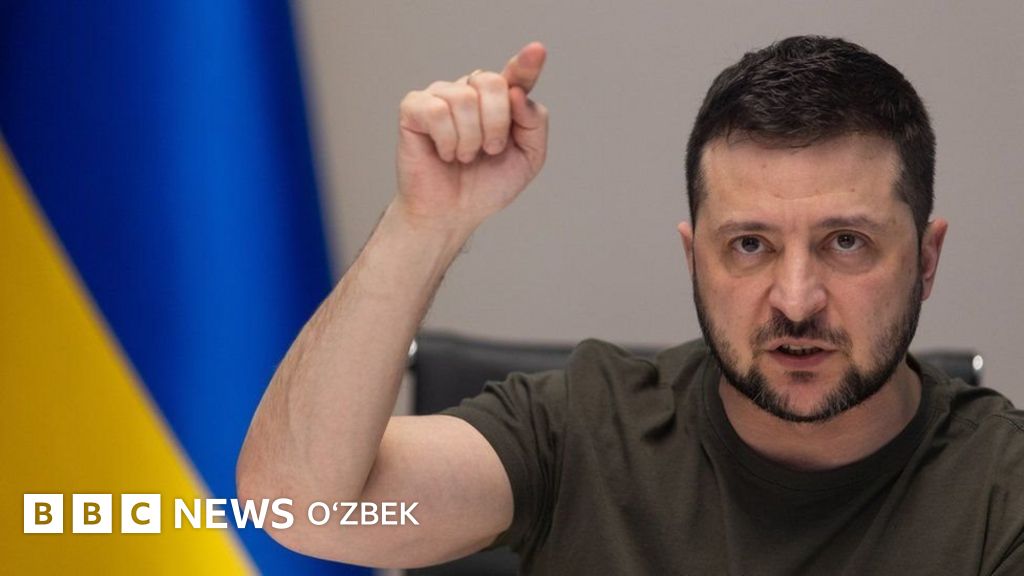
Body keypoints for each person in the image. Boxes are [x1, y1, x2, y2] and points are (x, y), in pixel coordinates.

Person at [237, 36, 1024, 574]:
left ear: (925, 260)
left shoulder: (1005, 489)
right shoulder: (581, 430)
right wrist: (425, 224)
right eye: (749, 244)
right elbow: (298, 509)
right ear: (693, 258)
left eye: (846, 243)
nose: (795, 300)